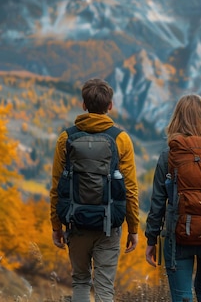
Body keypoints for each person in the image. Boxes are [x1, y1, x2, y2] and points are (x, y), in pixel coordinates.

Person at [49, 78, 139, 302]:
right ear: (110, 106)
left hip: (76, 220)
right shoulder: (121, 139)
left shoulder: (66, 138)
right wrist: (134, 228)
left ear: (83, 105)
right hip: (108, 224)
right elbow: (130, 189)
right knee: (105, 286)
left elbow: (56, 186)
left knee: (80, 280)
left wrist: (56, 225)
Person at [144, 94, 201, 302]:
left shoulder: (168, 157)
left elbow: (157, 204)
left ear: (176, 119)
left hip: (177, 237)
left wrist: (151, 239)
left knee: (182, 297)